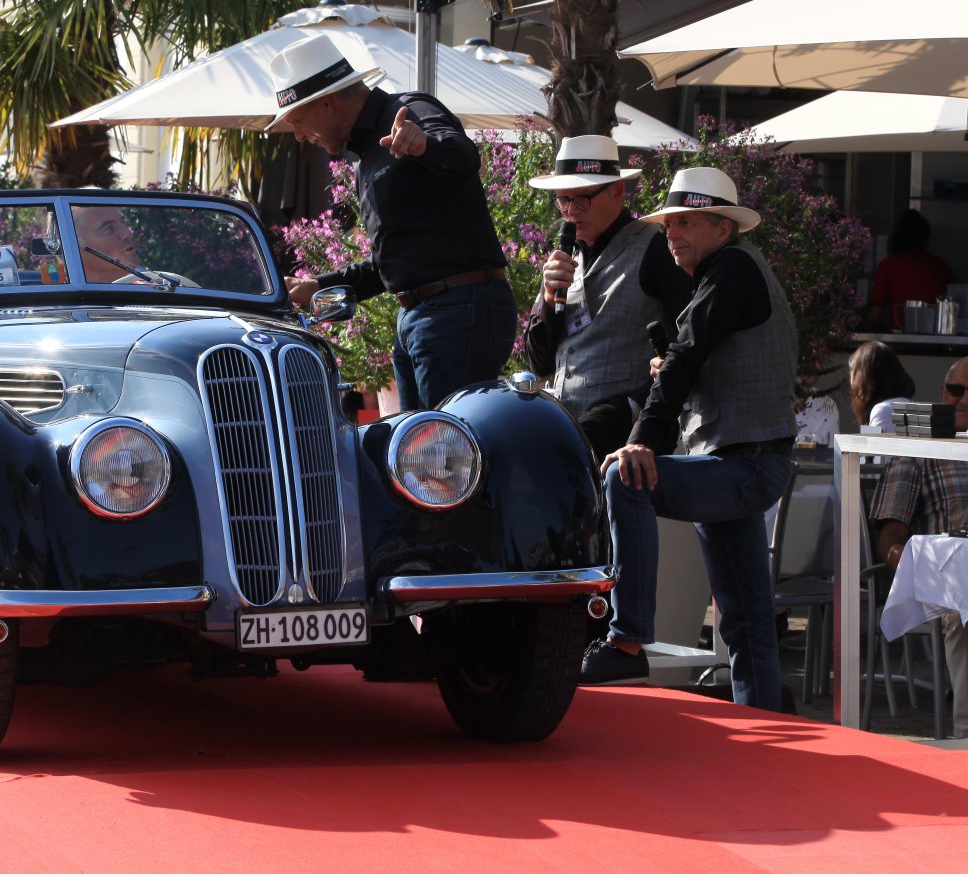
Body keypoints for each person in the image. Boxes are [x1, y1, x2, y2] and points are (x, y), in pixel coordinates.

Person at [578, 167, 798, 713]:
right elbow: (696, 358)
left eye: (686, 223)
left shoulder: (733, 267)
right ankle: (763, 729)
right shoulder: (728, 271)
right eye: (668, 224)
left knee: (625, 476)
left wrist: (642, 441)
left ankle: (627, 641)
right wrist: (672, 369)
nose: (672, 233)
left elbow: (686, 355)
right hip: (739, 460)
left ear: (723, 228)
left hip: (745, 464)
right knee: (745, 618)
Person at [272, 34, 515, 410]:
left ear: (326, 103)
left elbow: (464, 157)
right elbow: (389, 263)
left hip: (456, 311)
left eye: (297, 122)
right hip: (424, 316)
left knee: (444, 443)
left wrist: (425, 146)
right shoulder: (365, 156)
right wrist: (317, 286)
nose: (300, 136)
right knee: (420, 444)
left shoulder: (410, 110)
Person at [521, 135, 693, 457]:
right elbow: (539, 362)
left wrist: (634, 405)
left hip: (628, 438)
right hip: (566, 427)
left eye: (582, 199)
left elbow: (689, 341)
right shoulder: (566, 255)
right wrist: (547, 297)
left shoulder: (655, 247)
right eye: (563, 200)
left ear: (617, 191)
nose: (571, 212)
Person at [870, 356, 968, 738]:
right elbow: (889, 537)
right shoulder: (920, 450)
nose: (967, 400)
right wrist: (916, 568)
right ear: (943, 393)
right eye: (958, 390)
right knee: (967, 606)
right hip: (947, 578)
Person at [867, 209, 954, 331]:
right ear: (925, 238)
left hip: (899, 336)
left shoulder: (887, 266)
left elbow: (876, 315)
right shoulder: (939, 267)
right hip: (936, 335)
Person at [848, 340, 917, 433]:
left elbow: (873, 442)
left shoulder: (883, 410)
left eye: (853, 376)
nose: (852, 384)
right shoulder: (905, 405)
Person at [71, 203, 143, 284]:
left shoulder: (149, 290)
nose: (128, 233)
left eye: (123, 222)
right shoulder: (63, 290)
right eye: (108, 228)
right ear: (76, 245)